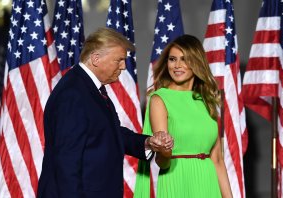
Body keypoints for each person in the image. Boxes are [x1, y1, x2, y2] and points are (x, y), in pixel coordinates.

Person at [37, 27, 173, 198]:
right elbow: (67, 162)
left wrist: (147, 142)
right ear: (96, 58)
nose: (123, 67)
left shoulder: (88, 87)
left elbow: (109, 132)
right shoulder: (73, 93)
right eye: (119, 60)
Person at [134, 34, 232, 198]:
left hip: (208, 182)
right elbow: (162, 162)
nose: (177, 65)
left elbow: (217, 160)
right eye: (172, 59)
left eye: (184, 59)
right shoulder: (159, 99)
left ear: (197, 63)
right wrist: (164, 151)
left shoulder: (206, 100)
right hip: (176, 180)